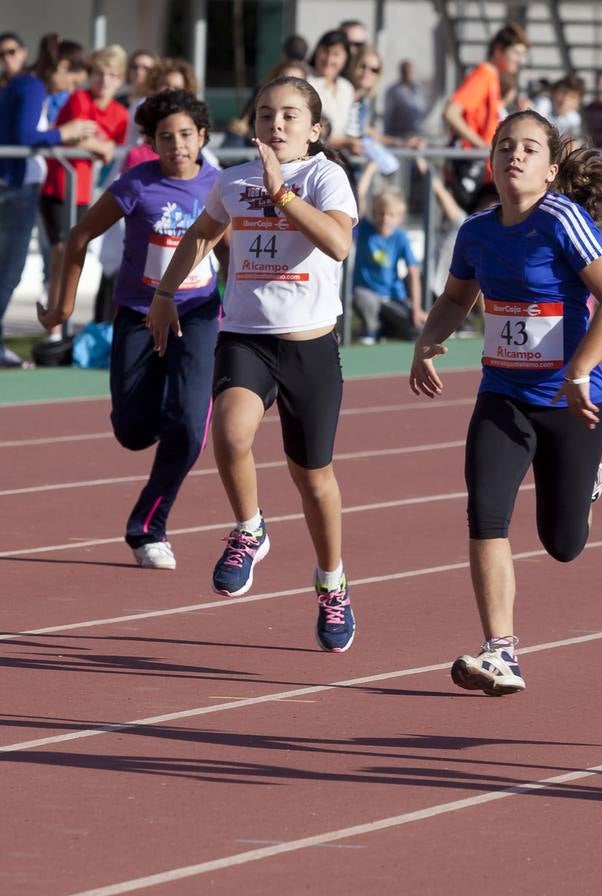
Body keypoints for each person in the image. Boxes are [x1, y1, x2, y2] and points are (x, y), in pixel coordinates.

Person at [408, 110, 602, 695]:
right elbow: (457, 297)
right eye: (504, 146)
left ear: (551, 168)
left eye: (529, 148)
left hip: (571, 402)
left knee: (563, 545)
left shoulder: (564, 220)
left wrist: (580, 369)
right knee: (485, 513)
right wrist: (428, 341)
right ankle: (500, 651)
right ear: (490, 162)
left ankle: (586, 481)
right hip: (502, 396)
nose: (514, 155)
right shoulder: (477, 231)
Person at [149, 76, 359, 652]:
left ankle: (331, 582)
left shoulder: (325, 177)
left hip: (310, 346)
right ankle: (249, 528)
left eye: (291, 116)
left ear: (315, 129)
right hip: (245, 336)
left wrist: (284, 195)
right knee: (231, 432)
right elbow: (200, 234)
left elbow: (338, 245)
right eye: (266, 114)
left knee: (313, 480)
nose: (277, 124)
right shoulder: (234, 181)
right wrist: (166, 295)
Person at [37, 90, 221, 569]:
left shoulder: (221, 188)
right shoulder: (136, 184)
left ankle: (148, 528)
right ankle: (167, 404)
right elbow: (79, 236)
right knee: (133, 432)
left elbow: (236, 256)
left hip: (198, 314)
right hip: (139, 313)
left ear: (202, 137)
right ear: (151, 143)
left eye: (185, 135)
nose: (177, 145)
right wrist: (63, 306)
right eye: (165, 137)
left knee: (187, 427)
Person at [0, 33, 95, 367]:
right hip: (13, 189)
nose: (70, 88)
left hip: (14, 187)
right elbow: (26, 136)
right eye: (71, 80)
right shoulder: (32, 86)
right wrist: (65, 133)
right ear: (63, 66)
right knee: (8, 272)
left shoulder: (26, 85)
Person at [41, 46, 128, 319]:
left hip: (86, 193)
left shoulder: (120, 113)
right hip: (57, 186)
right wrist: (100, 145)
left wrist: (103, 145)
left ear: (120, 80)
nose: (104, 80)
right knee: (60, 253)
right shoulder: (79, 98)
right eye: (99, 73)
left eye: (112, 75)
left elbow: (118, 147)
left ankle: (61, 312)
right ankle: (55, 319)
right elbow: (70, 136)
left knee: (73, 254)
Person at [444, 22, 529, 211]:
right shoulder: (483, 74)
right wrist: (481, 144)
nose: (520, 60)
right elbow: (451, 112)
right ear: (498, 49)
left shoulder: (491, 77)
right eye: (516, 53)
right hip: (474, 169)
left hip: (483, 170)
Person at [352, 187, 423, 343]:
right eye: (380, 213)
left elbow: (413, 272)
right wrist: (371, 167)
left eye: (390, 214)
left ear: (400, 217)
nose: (384, 218)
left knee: (417, 329)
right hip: (368, 293)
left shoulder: (401, 237)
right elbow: (360, 195)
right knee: (362, 298)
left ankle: (386, 329)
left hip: (393, 296)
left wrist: (416, 309)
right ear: (373, 212)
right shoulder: (364, 229)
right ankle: (371, 329)